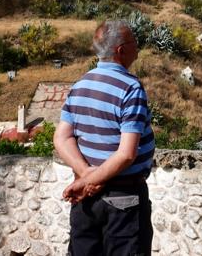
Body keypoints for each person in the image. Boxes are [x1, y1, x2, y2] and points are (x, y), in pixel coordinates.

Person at [54, 20, 155, 256]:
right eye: (134, 42)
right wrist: (88, 180)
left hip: (86, 200)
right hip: (124, 199)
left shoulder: (80, 85)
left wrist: (85, 174)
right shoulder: (131, 88)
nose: (138, 48)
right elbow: (126, 153)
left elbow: (62, 137)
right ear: (121, 50)